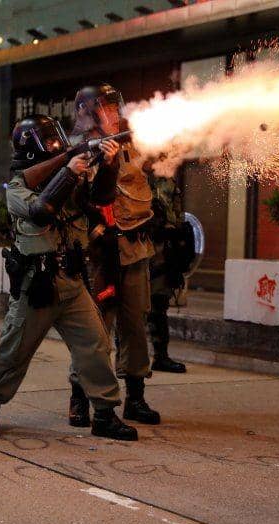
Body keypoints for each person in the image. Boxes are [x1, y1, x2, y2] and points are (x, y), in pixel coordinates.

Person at [0, 114, 137, 441]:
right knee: (13, 352)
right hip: (38, 285)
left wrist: (108, 163)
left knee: (96, 345)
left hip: (72, 281)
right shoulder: (18, 187)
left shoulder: (71, 176)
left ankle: (104, 414)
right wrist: (67, 169)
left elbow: (102, 199)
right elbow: (41, 211)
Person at [68, 84, 161, 427]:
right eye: (105, 107)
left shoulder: (131, 143)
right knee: (94, 332)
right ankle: (79, 398)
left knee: (136, 325)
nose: (112, 112)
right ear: (89, 112)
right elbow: (87, 199)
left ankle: (135, 397)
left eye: (113, 106)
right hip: (99, 255)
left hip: (134, 249)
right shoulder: (79, 150)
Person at [146, 164, 188, 373]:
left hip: (164, 250)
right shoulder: (136, 174)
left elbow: (176, 212)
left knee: (160, 303)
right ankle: (125, 360)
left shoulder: (167, 177)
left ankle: (161, 356)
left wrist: (178, 233)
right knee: (132, 306)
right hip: (143, 248)